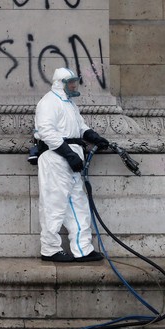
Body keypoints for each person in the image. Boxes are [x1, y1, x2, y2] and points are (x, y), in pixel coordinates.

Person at [34, 67, 110, 262]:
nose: (75, 85)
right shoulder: (48, 102)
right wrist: (68, 154)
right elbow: (46, 131)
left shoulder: (70, 104)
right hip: (56, 158)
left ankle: (83, 249)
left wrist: (95, 137)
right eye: (71, 82)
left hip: (72, 159)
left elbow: (80, 126)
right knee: (54, 203)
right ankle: (50, 250)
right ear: (61, 83)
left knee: (78, 203)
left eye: (75, 82)